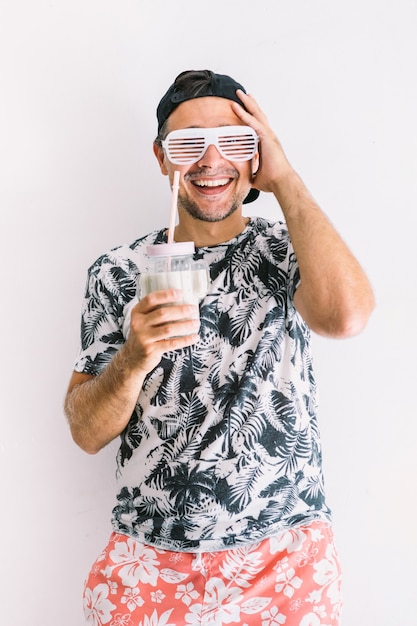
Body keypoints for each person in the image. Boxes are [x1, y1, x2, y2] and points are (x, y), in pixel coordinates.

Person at [64, 69, 374, 626]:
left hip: (284, 565)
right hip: (149, 564)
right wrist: (135, 354)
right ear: (162, 159)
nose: (210, 162)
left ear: (256, 155)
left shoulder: (289, 252)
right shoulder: (117, 273)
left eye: (233, 141)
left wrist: (286, 180)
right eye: (188, 145)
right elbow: (86, 431)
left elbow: (348, 317)